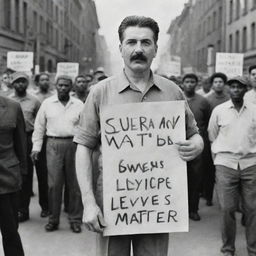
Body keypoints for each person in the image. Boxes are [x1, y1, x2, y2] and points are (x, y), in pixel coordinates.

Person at [74, 15, 203, 256]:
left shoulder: (172, 91)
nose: (138, 49)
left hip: (158, 204)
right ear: (121, 48)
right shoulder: (100, 92)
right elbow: (84, 146)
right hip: (113, 204)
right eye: (131, 42)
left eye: (146, 43)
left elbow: (194, 134)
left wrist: (197, 145)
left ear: (155, 49)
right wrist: (89, 202)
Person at [208, 76, 256, 256]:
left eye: (240, 87)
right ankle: (228, 248)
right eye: (233, 87)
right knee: (227, 209)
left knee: (252, 209)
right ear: (229, 90)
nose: (236, 90)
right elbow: (212, 135)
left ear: (246, 89)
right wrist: (218, 160)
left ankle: (253, 249)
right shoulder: (219, 111)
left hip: (250, 164)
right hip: (225, 165)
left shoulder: (254, 110)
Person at [31, 75, 84, 233]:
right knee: (54, 184)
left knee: (74, 184)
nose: (63, 88)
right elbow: (39, 126)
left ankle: (75, 219)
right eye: (60, 85)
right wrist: (36, 147)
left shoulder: (78, 104)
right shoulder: (47, 104)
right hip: (53, 144)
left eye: (66, 85)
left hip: (73, 144)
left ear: (71, 87)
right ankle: (53, 219)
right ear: (56, 86)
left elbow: (85, 126)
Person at [9, 72, 42, 222]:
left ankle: (24, 210)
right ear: (12, 84)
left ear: (27, 84)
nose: (20, 84)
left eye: (23, 82)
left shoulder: (34, 101)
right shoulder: (8, 100)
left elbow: (41, 122)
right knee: (12, 173)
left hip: (28, 138)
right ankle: (12, 209)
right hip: (11, 139)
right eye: (17, 82)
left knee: (26, 174)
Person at [0, 95, 27, 256]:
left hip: (7, 177)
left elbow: (21, 142)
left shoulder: (13, 106)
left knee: (10, 230)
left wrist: (22, 171)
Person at [182, 73, 211, 221]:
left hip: (197, 147)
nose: (189, 84)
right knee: (179, 180)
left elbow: (207, 122)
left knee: (195, 179)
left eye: (192, 82)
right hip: (178, 147)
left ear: (196, 83)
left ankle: (193, 209)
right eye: (187, 81)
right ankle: (179, 210)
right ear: (183, 83)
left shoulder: (203, 102)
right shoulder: (176, 99)